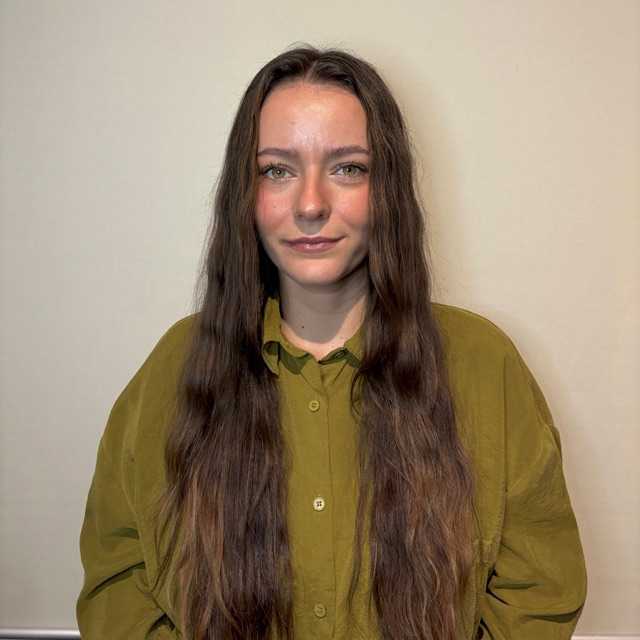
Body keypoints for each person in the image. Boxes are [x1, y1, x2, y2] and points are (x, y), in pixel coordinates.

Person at [76, 46, 587, 640]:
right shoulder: (174, 367)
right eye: (277, 170)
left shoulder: (485, 364)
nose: (311, 204)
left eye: (348, 169)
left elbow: (539, 592)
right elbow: (119, 582)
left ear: (387, 187)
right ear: (245, 192)